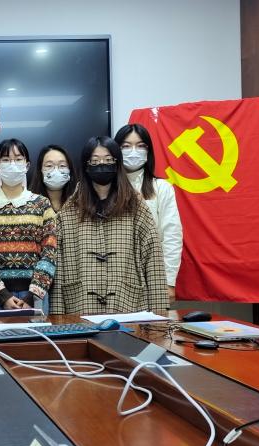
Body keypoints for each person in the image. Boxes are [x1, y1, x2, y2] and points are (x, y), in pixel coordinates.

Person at [49, 136, 169, 314]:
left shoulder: (135, 205)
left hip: (128, 302)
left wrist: (159, 313)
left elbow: (153, 259)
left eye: (108, 160)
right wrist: (57, 316)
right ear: (86, 165)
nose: (102, 165)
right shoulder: (70, 210)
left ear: (117, 163)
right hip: (79, 303)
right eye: (95, 161)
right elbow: (58, 267)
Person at [0, 139, 57, 312]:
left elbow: (50, 252)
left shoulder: (42, 204)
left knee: (35, 332)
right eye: (6, 160)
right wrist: (1, 295)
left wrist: (33, 296)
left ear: (27, 165)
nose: (12, 164)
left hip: (34, 296)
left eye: (18, 159)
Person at [114, 123, 183, 303]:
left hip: (151, 274)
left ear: (148, 151)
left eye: (140, 146)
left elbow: (171, 236)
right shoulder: (105, 189)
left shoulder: (161, 188)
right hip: (114, 275)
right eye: (126, 146)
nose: (133, 151)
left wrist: (169, 281)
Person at [28, 144, 77, 213]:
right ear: (40, 170)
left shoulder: (80, 202)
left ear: (70, 170)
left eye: (62, 165)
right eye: (49, 165)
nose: (56, 171)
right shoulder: (29, 204)